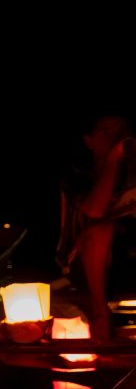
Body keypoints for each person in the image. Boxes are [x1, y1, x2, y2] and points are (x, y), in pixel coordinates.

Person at [57, 114, 135, 340]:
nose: (115, 136)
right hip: (87, 264)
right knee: (100, 231)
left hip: (128, 258)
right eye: (105, 131)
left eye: (121, 130)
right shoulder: (77, 173)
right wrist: (113, 159)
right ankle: (100, 315)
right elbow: (95, 210)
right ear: (89, 141)